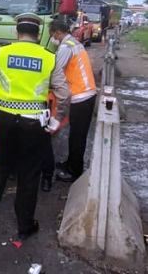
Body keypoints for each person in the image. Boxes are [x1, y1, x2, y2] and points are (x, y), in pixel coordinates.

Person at [0, 13, 70, 241]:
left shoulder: (3, 53)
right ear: (38, 34)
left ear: (17, 32)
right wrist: (55, 121)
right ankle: (25, 225)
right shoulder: (48, 57)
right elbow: (64, 95)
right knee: (29, 172)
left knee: (0, 166)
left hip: (4, 119)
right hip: (34, 123)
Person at [47, 17, 97, 183]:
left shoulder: (66, 47)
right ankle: (70, 163)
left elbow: (56, 70)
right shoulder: (74, 43)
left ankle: (74, 171)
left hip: (81, 95)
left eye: (52, 35)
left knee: (77, 136)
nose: (52, 38)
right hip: (85, 94)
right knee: (75, 135)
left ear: (58, 32)